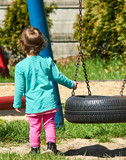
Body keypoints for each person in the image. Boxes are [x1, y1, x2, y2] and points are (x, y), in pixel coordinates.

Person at [13, 27, 78, 155]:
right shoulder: (48, 61)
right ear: (42, 44)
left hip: (33, 103)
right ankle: (51, 147)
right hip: (49, 100)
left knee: (34, 126)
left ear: (22, 44)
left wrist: (16, 103)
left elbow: (19, 87)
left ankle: (35, 149)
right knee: (49, 124)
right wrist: (72, 84)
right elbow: (58, 77)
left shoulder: (20, 66)